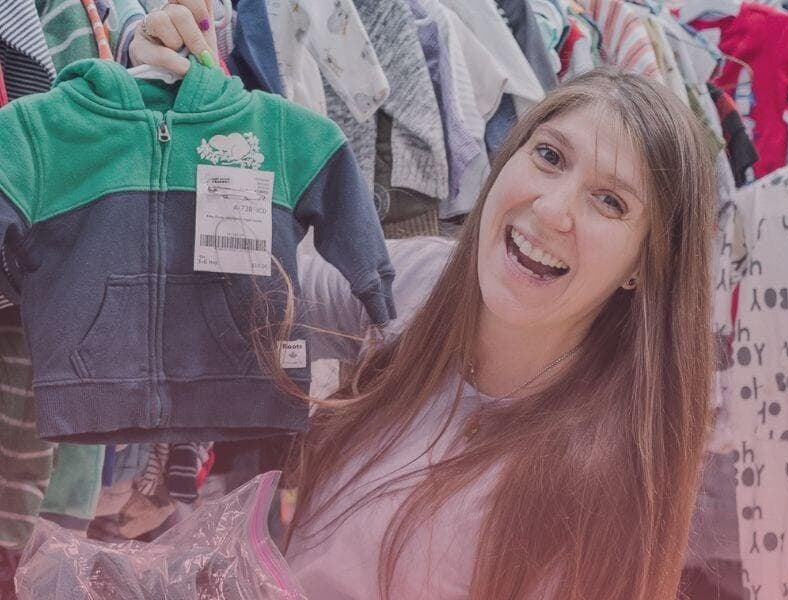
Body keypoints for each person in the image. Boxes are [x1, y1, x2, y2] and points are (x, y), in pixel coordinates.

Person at [129, 4, 720, 598]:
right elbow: (251, 292)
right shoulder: (424, 283)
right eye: (549, 157)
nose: (551, 209)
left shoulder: (600, 486)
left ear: (644, 265)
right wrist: (188, 113)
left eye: (609, 201)